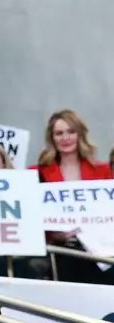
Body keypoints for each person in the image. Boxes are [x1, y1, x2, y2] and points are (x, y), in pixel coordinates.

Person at [35, 109, 114, 284]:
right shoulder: (37, 172)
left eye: (71, 132)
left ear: (80, 134)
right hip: (63, 254)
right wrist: (54, 233)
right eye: (59, 133)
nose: (65, 138)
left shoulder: (103, 171)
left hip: (104, 254)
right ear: (52, 138)